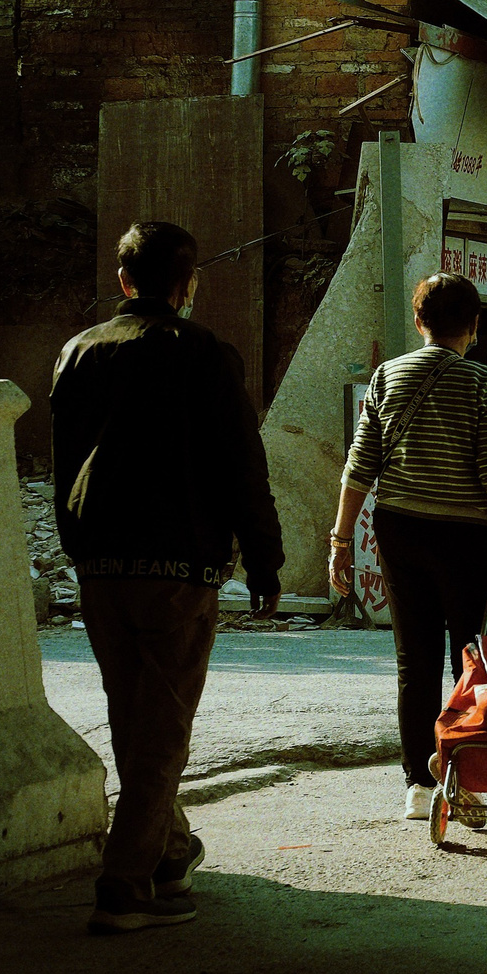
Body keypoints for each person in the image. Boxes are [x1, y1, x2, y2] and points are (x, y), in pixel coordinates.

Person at [51, 221, 286, 934]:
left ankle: (171, 852)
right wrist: (266, 558)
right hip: (178, 568)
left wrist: (79, 548)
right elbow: (243, 464)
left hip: (100, 568)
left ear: (124, 280)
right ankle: (124, 886)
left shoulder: (77, 352)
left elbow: (64, 462)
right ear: (187, 286)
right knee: (161, 731)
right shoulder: (205, 355)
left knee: (138, 719)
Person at [331, 272, 487, 819]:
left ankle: (418, 784)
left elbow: (359, 468)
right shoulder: (483, 385)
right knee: (473, 660)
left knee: (415, 661)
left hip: (399, 531)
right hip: (465, 538)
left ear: (418, 320)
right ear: (474, 329)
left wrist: (339, 540)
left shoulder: (387, 376)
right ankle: (466, 772)